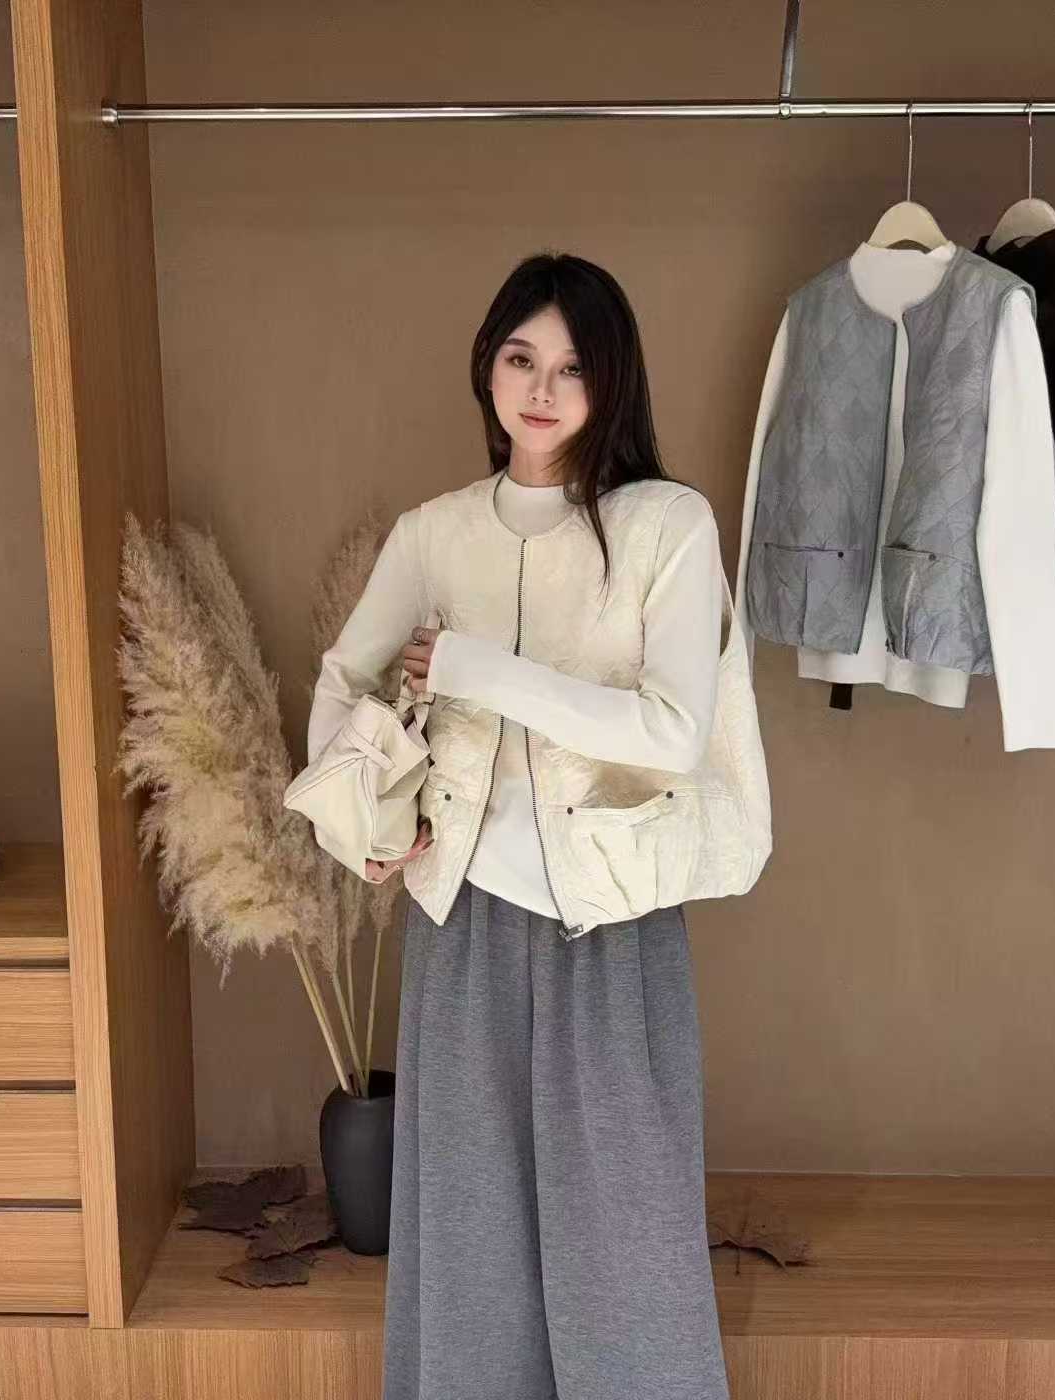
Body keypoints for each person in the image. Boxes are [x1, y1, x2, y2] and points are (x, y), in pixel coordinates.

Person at [307, 251, 730, 1400]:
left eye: (574, 366)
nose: (542, 388)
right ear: (487, 367)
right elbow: (341, 684)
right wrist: (367, 826)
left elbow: (675, 731)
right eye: (520, 356)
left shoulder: (667, 524)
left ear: (614, 381)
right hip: (465, 929)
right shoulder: (435, 533)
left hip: (614, 931)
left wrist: (479, 669)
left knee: (629, 1252)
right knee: (471, 1248)